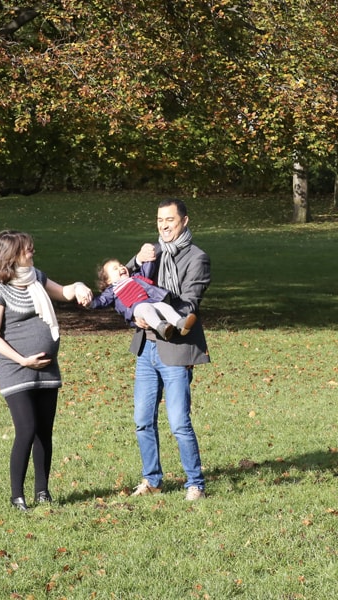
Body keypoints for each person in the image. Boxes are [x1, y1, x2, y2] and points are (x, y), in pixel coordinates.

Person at [0, 230, 93, 511]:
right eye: (27, 249)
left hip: (46, 370)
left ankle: (42, 492)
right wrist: (23, 360)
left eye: (31, 248)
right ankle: (17, 495)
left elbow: (65, 292)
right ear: (11, 255)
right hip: (16, 370)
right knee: (27, 429)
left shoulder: (37, 278)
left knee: (44, 430)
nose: (32, 252)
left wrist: (78, 287)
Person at [125, 199, 211, 501]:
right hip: (147, 349)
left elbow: (190, 304)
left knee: (178, 422)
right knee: (142, 420)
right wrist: (136, 260)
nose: (164, 225)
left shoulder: (197, 258)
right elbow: (123, 281)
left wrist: (152, 312)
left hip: (176, 349)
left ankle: (194, 483)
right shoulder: (152, 253)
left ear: (184, 221)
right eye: (160, 220)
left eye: (170, 220)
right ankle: (153, 480)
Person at [89, 258, 198, 340]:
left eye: (121, 265)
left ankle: (180, 323)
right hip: (136, 307)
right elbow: (101, 301)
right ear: (108, 280)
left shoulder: (135, 277)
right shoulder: (112, 289)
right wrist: (89, 302)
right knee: (146, 308)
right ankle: (161, 327)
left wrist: (147, 257)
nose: (121, 268)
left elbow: (147, 269)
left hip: (151, 301)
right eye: (115, 269)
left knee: (164, 306)